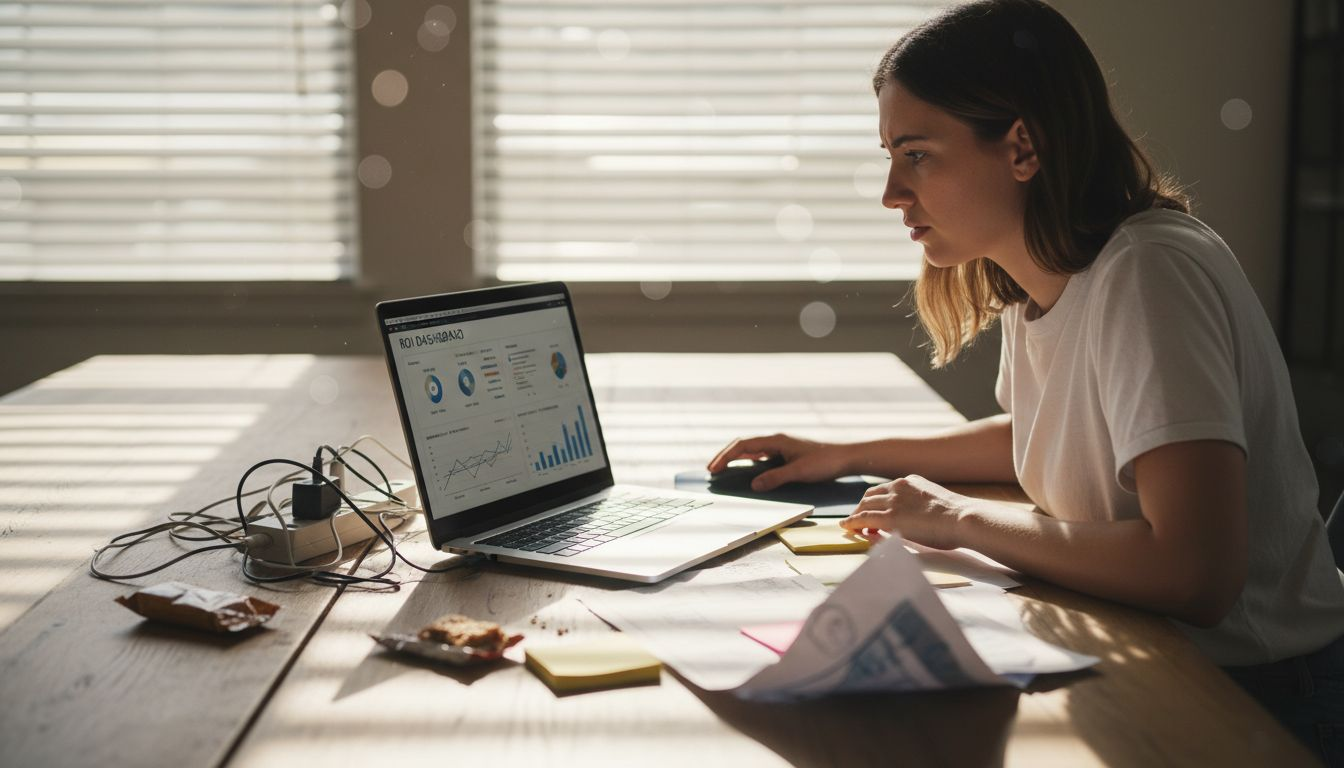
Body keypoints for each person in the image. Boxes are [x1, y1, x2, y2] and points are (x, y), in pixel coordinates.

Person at [705, 0, 1344, 762]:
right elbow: (1046, 437)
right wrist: (846, 455)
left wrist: (958, 519)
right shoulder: (1041, 275)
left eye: (916, 155)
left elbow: (1196, 572)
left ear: (1022, 147)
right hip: (1145, 648)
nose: (891, 193)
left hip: (1255, 694)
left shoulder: (1149, 274)